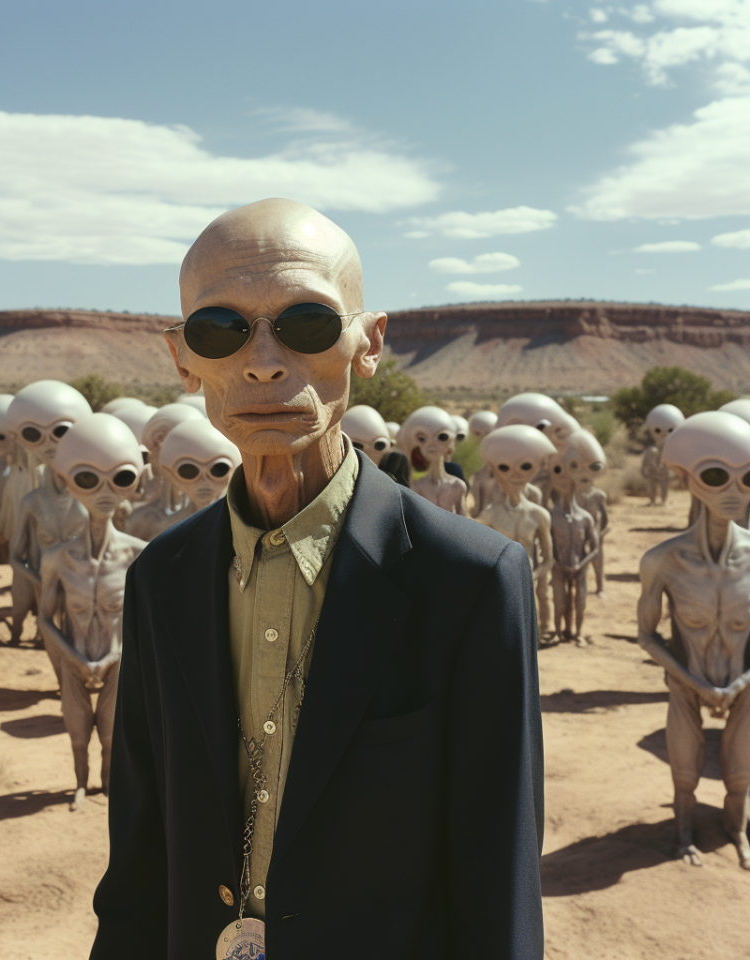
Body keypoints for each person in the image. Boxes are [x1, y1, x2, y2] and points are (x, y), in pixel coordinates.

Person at [90, 198, 544, 959]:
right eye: (220, 329)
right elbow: (139, 859)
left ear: (368, 345)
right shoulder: (163, 579)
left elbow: (495, 875)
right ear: (182, 358)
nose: (262, 360)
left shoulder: (467, 582)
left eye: (305, 324)